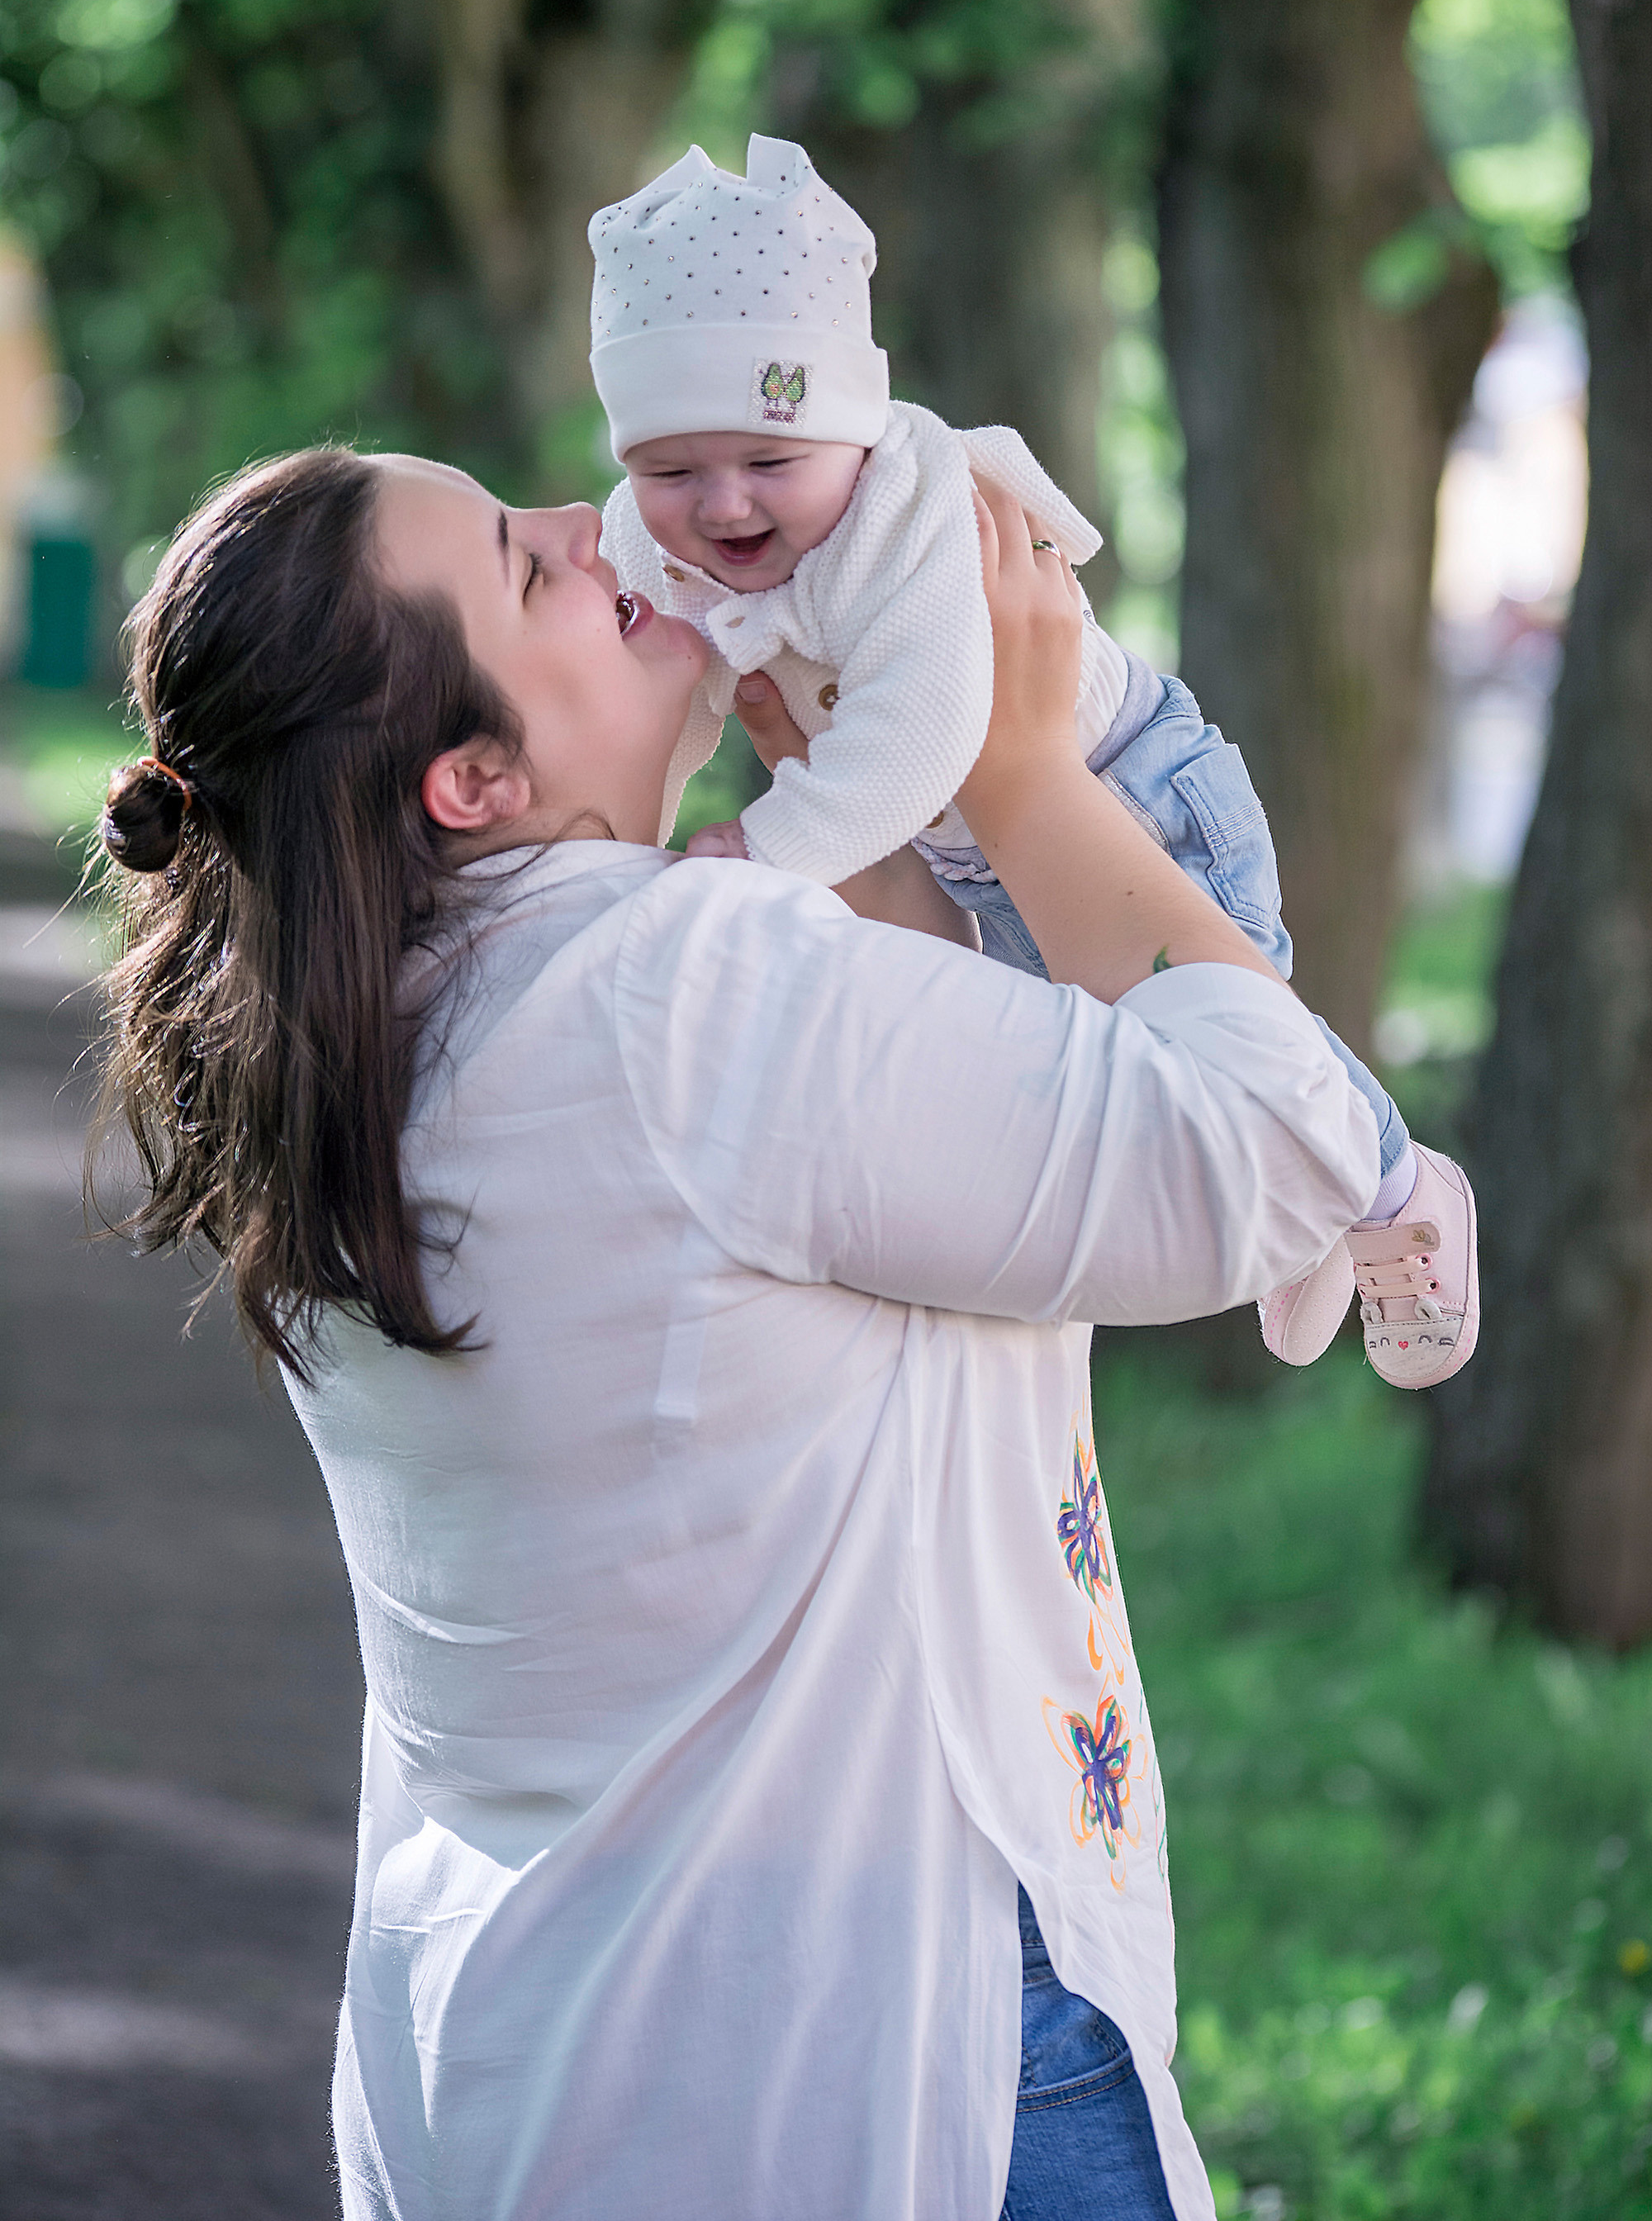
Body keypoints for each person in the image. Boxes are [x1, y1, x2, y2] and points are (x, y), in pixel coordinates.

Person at [97, 445, 1379, 2221]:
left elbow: (910, 1155)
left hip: (516, 2065)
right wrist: (1015, 772)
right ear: (475, 780)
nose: (583, 525)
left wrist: (870, 814)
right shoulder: (677, 990)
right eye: (523, 570)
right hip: (876, 2067)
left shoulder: (352, 1040)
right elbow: (1289, 1154)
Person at [591, 135, 1478, 1391]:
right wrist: (629, 850)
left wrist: (769, 855)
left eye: (770, 463)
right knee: (1111, 1072)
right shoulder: (651, 539)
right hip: (969, 851)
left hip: (1130, 785)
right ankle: (1291, 1199)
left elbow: (928, 729)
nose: (724, 506)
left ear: (853, 431)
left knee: (1238, 1027)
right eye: (671, 470)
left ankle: (1394, 1192)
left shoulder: (910, 508)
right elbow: (672, 694)